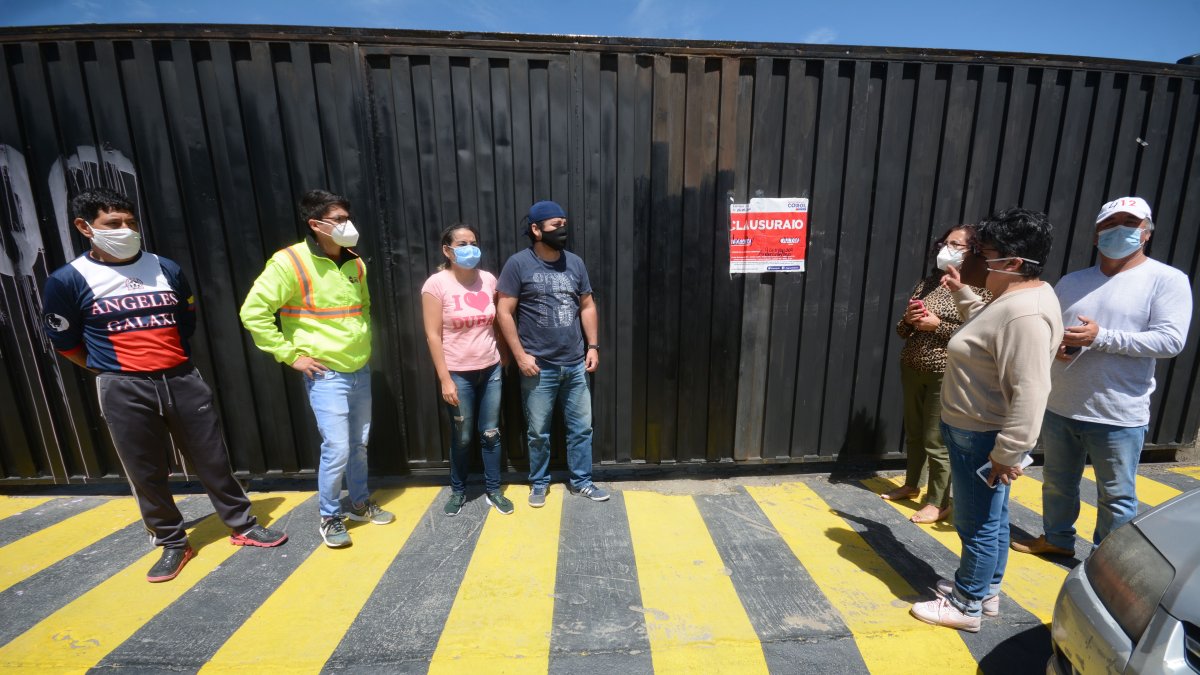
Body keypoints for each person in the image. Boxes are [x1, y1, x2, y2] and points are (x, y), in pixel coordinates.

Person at [40, 188, 287, 583]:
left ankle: (242, 526)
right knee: (145, 470)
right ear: (84, 227)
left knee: (213, 458)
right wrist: (110, 370)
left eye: (130, 222)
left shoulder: (165, 268)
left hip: (181, 378)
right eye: (112, 224)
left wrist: (165, 363)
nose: (125, 230)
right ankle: (173, 541)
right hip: (123, 386)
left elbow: (185, 323)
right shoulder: (68, 280)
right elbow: (66, 343)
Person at [909, 208, 1063, 632]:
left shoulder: (1025, 312)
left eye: (983, 252)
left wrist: (1009, 452)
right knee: (991, 519)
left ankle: (966, 603)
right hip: (976, 428)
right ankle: (985, 590)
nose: (972, 258)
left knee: (974, 522)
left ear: (1012, 263)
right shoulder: (1016, 299)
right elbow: (988, 328)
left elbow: (1031, 389)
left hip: (982, 433)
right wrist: (962, 293)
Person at [1011, 197, 1192, 557]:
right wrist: (1056, 346)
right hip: (1062, 404)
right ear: (1096, 236)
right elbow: (1052, 329)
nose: (1119, 230)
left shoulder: (1166, 280)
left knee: (1117, 495)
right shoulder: (1073, 281)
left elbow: (1171, 341)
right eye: (1110, 225)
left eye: (1130, 223)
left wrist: (1101, 337)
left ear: (1146, 233)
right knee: (1057, 483)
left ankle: (1107, 561)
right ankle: (1057, 539)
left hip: (1117, 412)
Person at [239, 189, 394, 549]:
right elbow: (253, 312)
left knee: (359, 445)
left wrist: (362, 348)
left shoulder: (356, 263)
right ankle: (329, 515)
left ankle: (358, 503)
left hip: (359, 369)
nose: (347, 224)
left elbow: (364, 308)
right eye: (339, 219)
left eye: (346, 217)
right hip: (326, 375)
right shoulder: (289, 262)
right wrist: (290, 355)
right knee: (338, 447)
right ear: (315, 224)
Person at [495, 200, 608, 507]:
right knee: (538, 432)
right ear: (536, 229)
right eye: (555, 225)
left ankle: (582, 481)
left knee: (581, 428)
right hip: (538, 366)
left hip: (574, 363)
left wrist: (593, 346)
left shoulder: (575, 263)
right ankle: (539, 482)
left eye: (564, 223)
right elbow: (504, 312)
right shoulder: (518, 264)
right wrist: (520, 356)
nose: (563, 230)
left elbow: (587, 306)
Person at [883, 225, 992, 524]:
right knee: (915, 432)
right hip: (912, 366)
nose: (947, 249)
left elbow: (983, 335)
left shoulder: (981, 286)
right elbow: (902, 331)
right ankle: (911, 484)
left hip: (947, 371)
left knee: (936, 438)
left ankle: (939, 501)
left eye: (956, 244)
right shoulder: (930, 281)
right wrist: (908, 319)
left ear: (975, 251)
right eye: (946, 243)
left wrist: (939, 326)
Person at [422, 223, 514, 517]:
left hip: (490, 370)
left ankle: (493, 489)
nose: (469, 248)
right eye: (461, 244)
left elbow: (496, 319)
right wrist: (445, 379)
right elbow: (433, 335)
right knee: (462, 436)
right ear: (447, 250)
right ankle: (458, 491)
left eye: (473, 242)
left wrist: (502, 353)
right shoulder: (436, 285)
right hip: (458, 374)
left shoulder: (488, 279)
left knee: (490, 433)